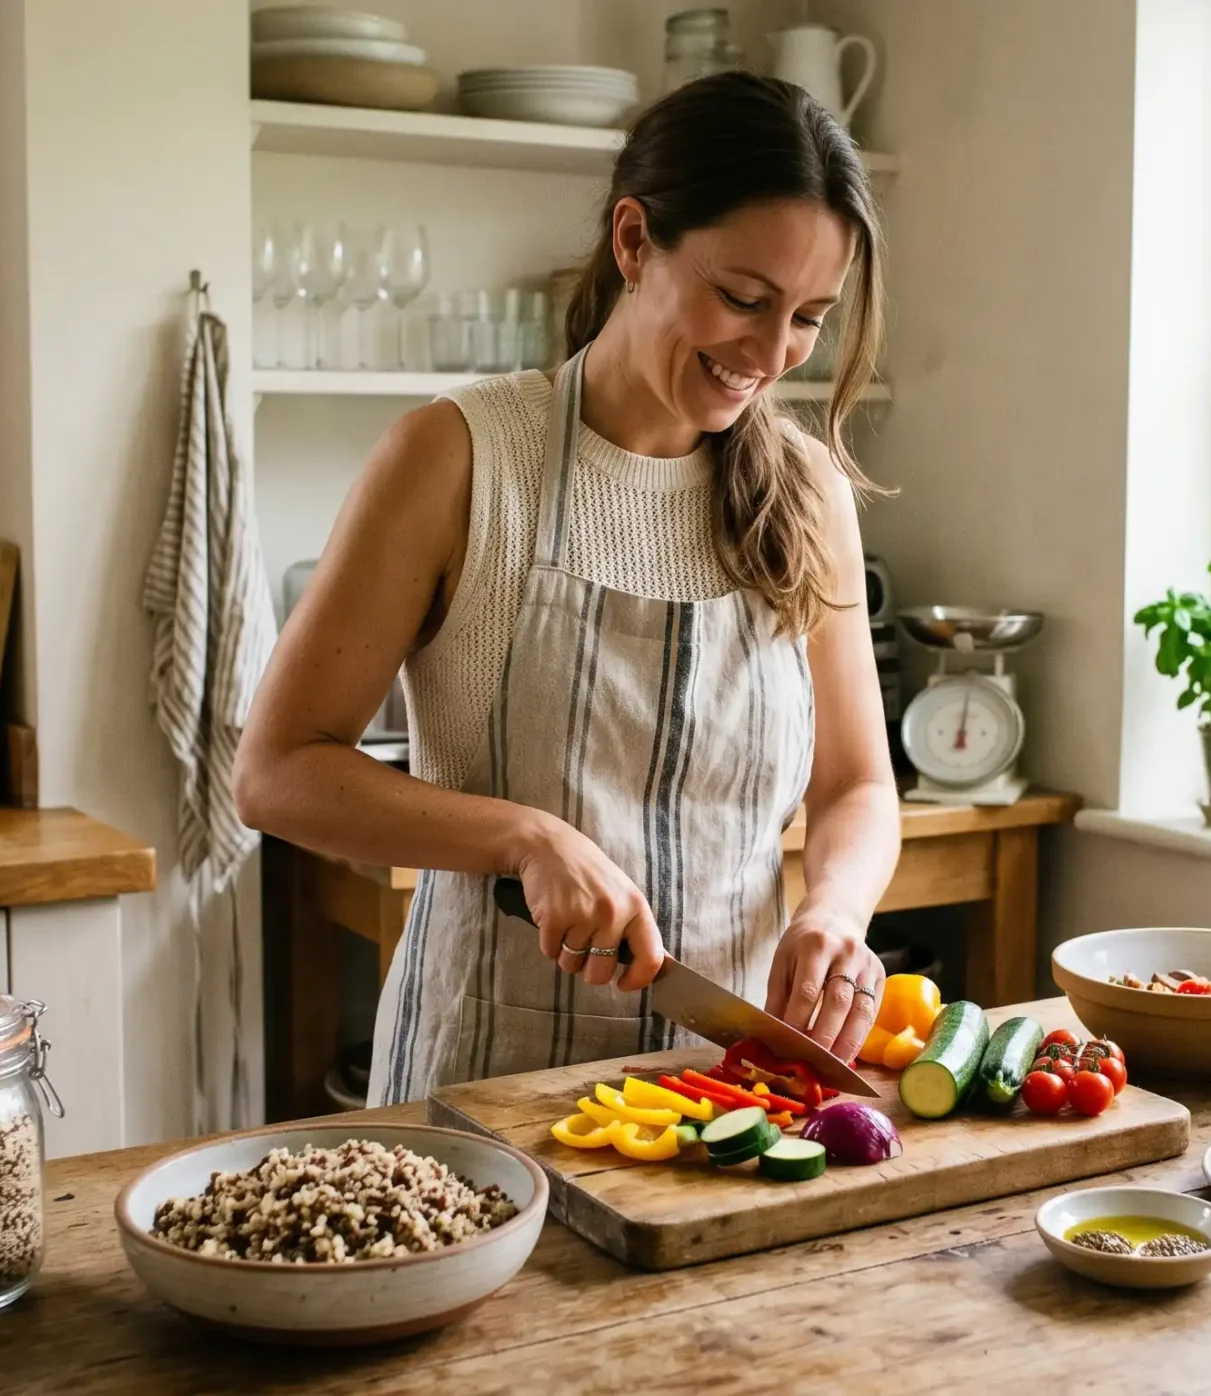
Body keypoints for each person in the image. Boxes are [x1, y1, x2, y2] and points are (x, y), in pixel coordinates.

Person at [235, 72, 900, 1106]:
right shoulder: (459, 457)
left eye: (809, 316)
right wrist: (522, 835)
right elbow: (276, 771)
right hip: (483, 1089)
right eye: (743, 298)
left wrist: (834, 911)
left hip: (727, 1092)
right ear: (634, 242)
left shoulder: (807, 492)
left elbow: (858, 783)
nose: (772, 357)